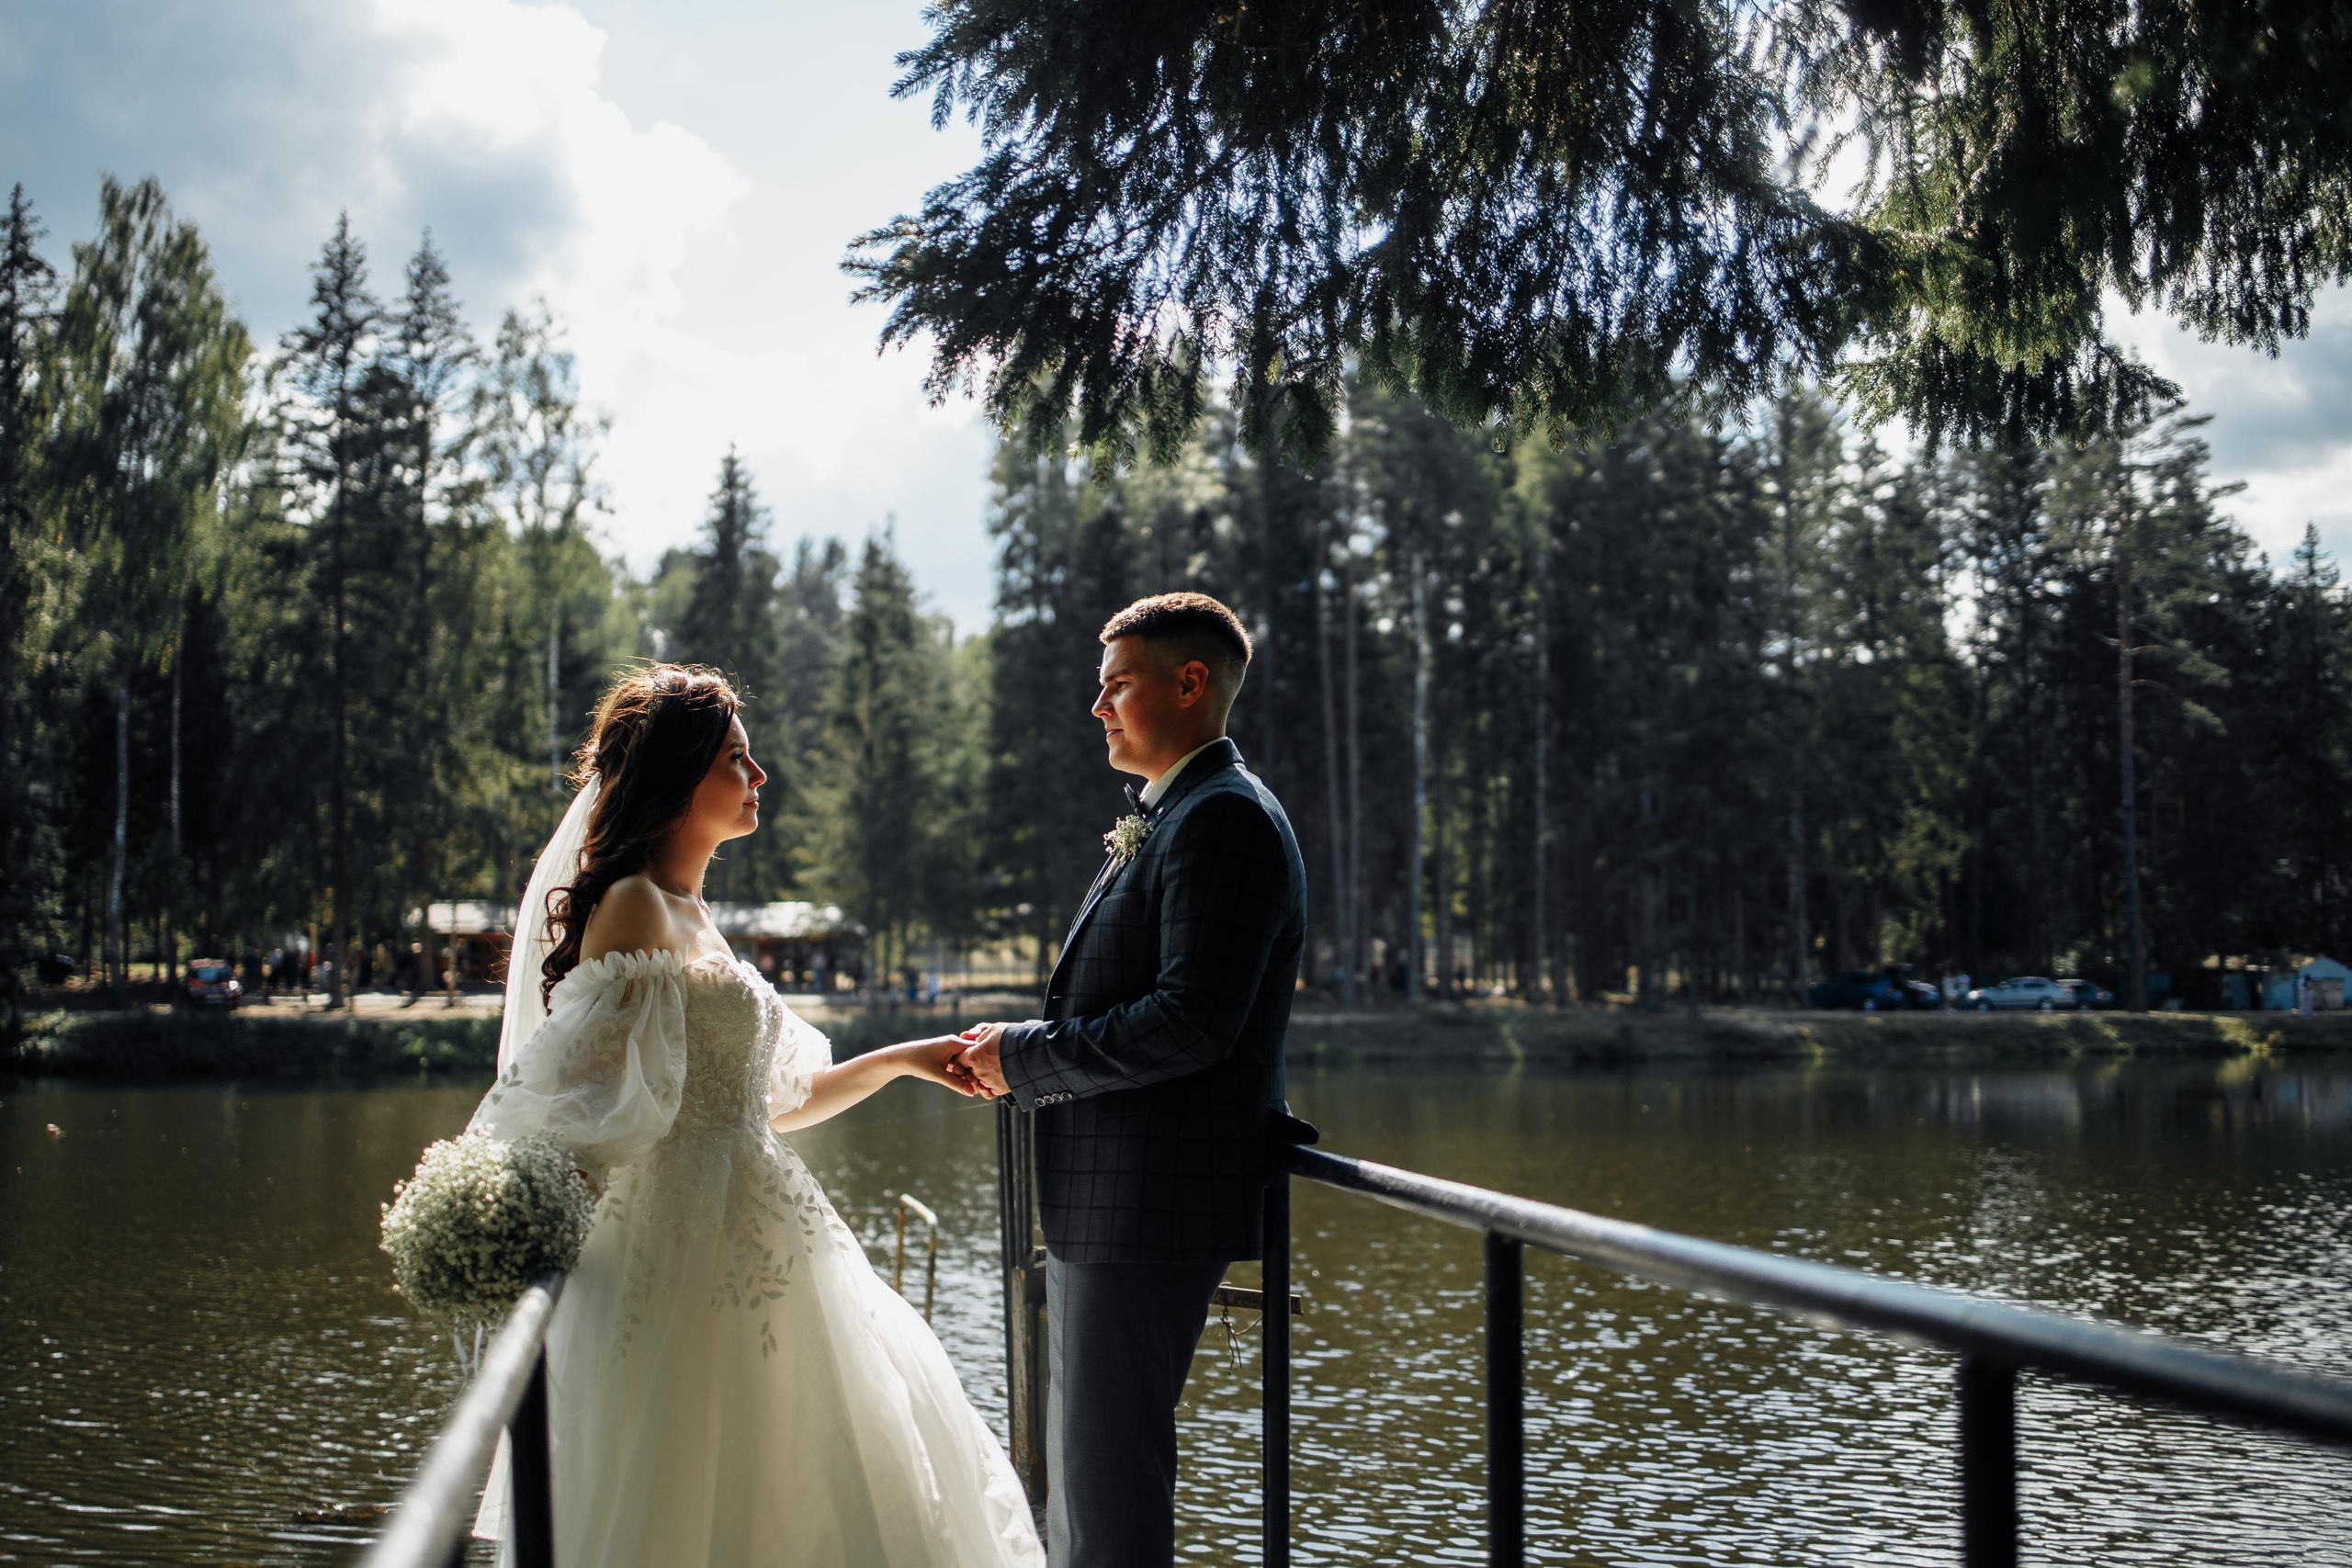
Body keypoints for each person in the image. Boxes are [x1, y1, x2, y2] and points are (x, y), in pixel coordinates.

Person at [466, 664, 1040, 1568]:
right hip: (675, 1246)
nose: (760, 775)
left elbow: (779, 1101)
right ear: (682, 780)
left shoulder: (695, 914)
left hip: (768, 1229)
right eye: (739, 758)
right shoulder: (632, 906)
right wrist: (523, 1214)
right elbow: (579, 1100)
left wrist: (904, 1062)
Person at [955, 593, 1312, 1568]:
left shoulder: (1223, 819)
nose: (1096, 706)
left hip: (1148, 1209)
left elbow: (1192, 1021)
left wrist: (1023, 1058)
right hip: (1115, 1206)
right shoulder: (1181, 813)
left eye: (1116, 684)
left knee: (1109, 1495)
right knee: (1089, 1482)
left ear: (1189, 683)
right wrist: (1019, 1047)